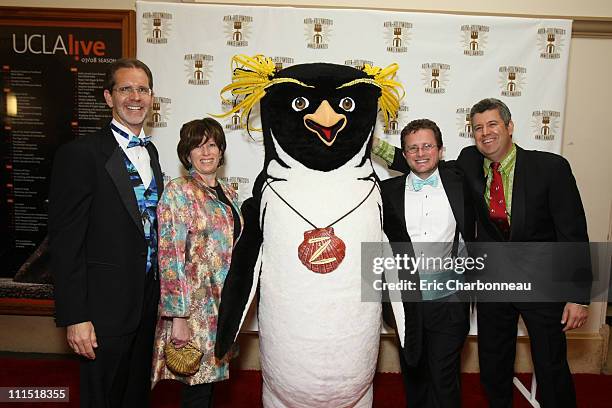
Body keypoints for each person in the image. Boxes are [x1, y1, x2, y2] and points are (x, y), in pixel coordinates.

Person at [374, 98, 591, 408]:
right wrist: (369, 142)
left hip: (542, 284)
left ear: (509, 126)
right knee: (493, 363)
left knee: (550, 363)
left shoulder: (550, 167)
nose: (485, 133)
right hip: (493, 285)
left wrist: (578, 295)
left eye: (493, 125)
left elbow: (573, 232)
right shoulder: (468, 162)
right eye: (478, 128)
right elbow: (419, 160)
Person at [49, 58, 163, 407]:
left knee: (135, 396)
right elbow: (65, 243)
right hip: (101, 310)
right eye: (125, 88)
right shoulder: (80, 154)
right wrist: (75, 317)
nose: (135, 96)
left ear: (152, 97)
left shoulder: (152, 152)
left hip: (146, 303)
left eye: (142, 89)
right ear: (108, 97)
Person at [380, 119, 474, 408]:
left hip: (450, 298)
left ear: (441, 150)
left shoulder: (460, 180)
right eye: (413, 148)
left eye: (427, 146)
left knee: (443, 373)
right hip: (406, 300)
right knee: (414, 372)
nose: (420, 153)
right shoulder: (386, 191)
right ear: (404, 154)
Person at [151, 117, 242, 408]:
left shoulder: (228, 193)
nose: (206, 152)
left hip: (222, 306)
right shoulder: (178, 191)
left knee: (211, 385)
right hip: (194, 310)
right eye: (198, 146)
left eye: (212, 145)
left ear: (221, 150)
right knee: (196, 388)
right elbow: (169, 256)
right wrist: (178, 317)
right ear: (186, 153)